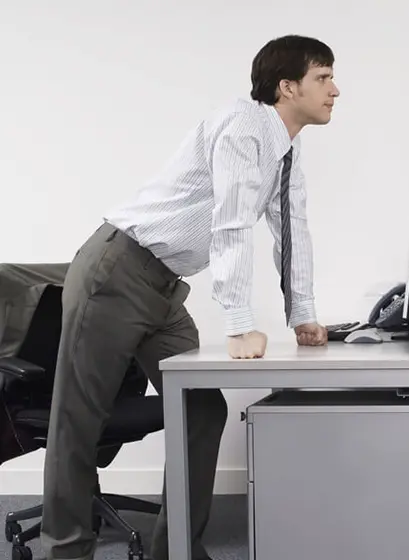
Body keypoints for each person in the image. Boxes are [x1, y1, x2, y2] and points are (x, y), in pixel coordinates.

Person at [40, 34, 338, 560]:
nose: (335, 90)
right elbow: (231, 226)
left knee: (201, 412)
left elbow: (292, 228)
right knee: (78, 419)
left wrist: (303, 315)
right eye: (323, 78)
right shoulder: (244, 126)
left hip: (163, 287)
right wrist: (240, 323)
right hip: (117, 270)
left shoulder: (286, 146)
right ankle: (66, 551)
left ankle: (174, 550)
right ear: (287, 87)